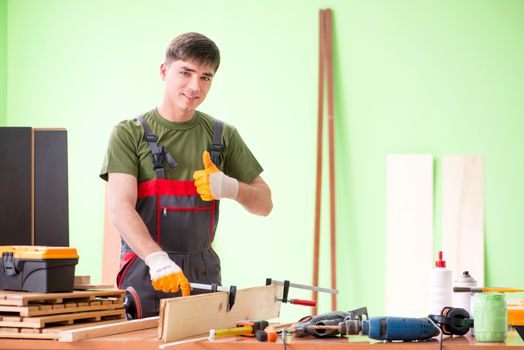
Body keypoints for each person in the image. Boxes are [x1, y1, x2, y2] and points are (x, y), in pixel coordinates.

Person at [100, 32, 272, 319]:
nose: (195, 86)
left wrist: (231, 188)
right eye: (186, 72)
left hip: (203, 275)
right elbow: (120, 208)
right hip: (147, 272)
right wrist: (157, 260)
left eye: (206, 77)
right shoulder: (130, 134)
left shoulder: (222, 135)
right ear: (164, 71)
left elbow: (265, 204)